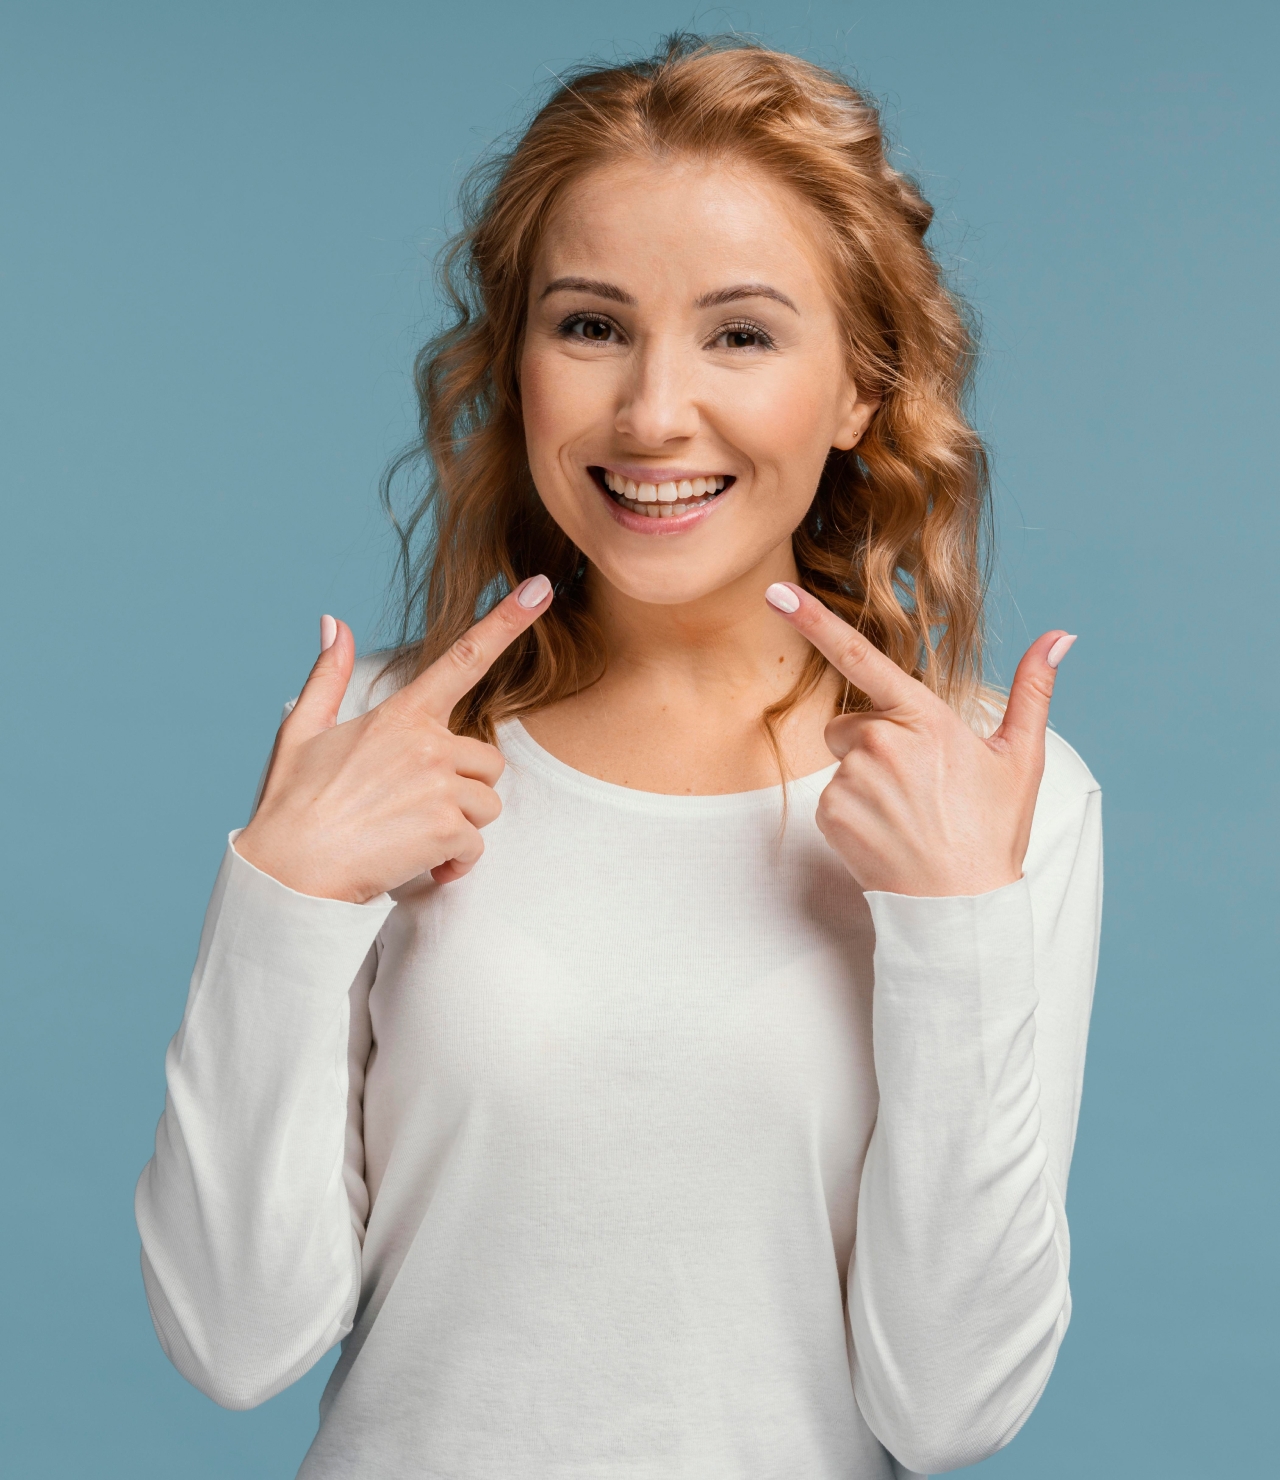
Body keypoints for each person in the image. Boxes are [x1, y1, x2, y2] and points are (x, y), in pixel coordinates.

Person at [135, 35, 1101, 1480]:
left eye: (742, 334)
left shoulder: (989, 792)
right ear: (514, 360)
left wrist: (957, 921)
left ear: (858, 392)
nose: (653, 412)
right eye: (589, 326)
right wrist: (284, 896)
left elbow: (950, 1409)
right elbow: (233, 1342)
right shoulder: (379, 753)